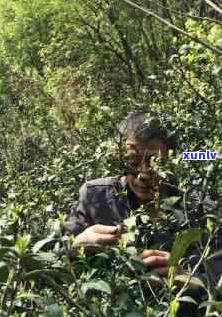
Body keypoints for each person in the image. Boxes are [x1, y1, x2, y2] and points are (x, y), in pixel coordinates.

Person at [61, 111, 222, 291]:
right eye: (133, 160)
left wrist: (193, 281)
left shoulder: (200, 210)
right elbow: (54, 265)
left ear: (172, 160)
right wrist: (74, 247)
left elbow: (217, 274)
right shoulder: (95, 196)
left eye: (155, 161)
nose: (143, 173)